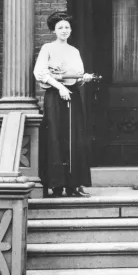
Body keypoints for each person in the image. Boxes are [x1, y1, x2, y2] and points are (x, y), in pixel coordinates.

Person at [34, 11, 93, 197]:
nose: (64, 30)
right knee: (56, 136)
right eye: (60, 27)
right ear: (54, 30)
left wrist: (84, 79)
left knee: (74, 137)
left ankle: (74, 185)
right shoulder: (48, 48)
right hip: (55, 97)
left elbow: (76, 76)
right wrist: (60, 87)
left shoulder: (74, 51)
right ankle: (57, 185)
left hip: (72, 96)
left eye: (67, 27)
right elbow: (41, 73)